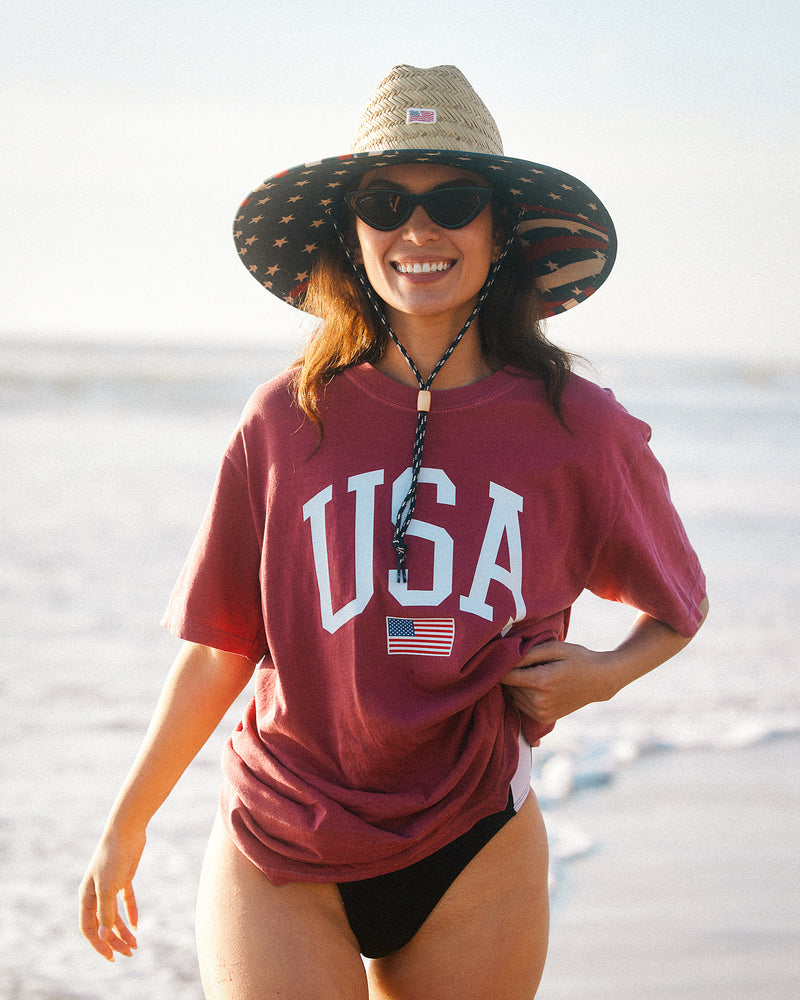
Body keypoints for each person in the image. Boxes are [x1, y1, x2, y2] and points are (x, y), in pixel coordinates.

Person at [79, 64, 708, 1000]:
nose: (419, 231)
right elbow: (220, 645)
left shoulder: (579, 426)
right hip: (281, 829)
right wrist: (125, 824)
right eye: (386, 203)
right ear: (353, 232)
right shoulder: (284, 419)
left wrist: (602, 678)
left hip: (474, 838)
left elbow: (678, 603)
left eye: (453, 202)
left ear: (500, 234)